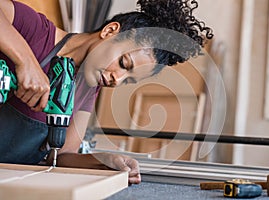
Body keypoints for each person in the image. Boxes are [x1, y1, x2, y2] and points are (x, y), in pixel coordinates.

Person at [0, 0, 213, 184]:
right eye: (123, 63)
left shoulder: (89, 88)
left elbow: (61, 155)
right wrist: (26, 62)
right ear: (109, 31)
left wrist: (105, 161)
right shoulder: (38, 33)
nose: (116, 80)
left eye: (128, 81)